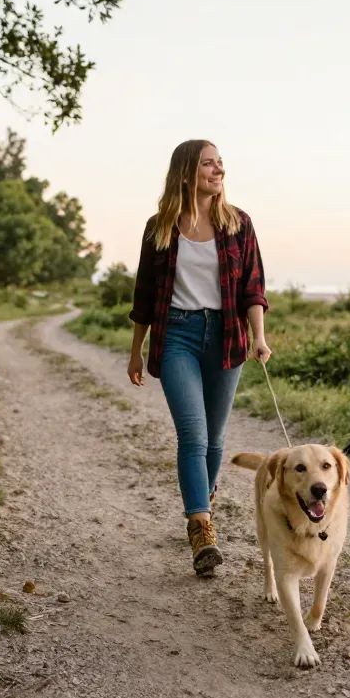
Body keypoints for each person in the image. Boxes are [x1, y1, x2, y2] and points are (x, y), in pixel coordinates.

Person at [128, 139, 271, 577]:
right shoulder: (161, 227)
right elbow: (145, 295)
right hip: (177, 335)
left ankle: (201, 502)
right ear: (187, 172)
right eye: (209, 164)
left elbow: (253, 286)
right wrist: (136, 350)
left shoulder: (238, 224)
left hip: (226, 335)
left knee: (214, 438)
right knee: (192, 433)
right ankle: (201, 526)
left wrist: (259, 337)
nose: (218, 171)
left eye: (221, 164)